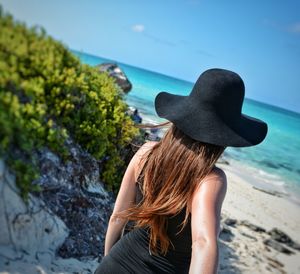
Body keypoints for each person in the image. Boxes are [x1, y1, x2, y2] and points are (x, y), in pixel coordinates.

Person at [94, 68, 268, 274]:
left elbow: (117, 217)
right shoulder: (210, 180)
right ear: (225, 135)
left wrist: (108, 260)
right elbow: (203, 243)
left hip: (114, 263)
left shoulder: (146, 151)